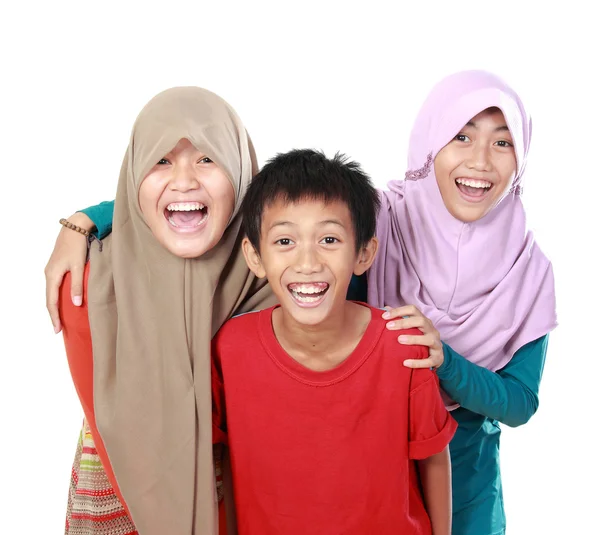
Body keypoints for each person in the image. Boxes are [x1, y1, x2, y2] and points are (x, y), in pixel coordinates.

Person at [58, 86, 276, 535]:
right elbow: (116, 429)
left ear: (239, 170)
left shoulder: (281, 278)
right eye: (161, 160)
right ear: (134, 172)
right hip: (121, 501)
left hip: (248, 505)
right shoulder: (89, 285)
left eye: (206, 158)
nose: (183, 180)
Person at [211, 148, 456, 534]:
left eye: (328, 238)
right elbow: (219, 460)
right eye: (284, 241)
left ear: (363, 253)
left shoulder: (403, 345)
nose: (308, 262)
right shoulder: (231, 348)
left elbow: (434, 457)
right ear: (254, 257)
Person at [364, 70, 558, 534]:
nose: (481, 161)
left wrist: (444, 360)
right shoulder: (375, 224)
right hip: (371, 471)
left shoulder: (528, 270)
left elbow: (519, 402)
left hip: (469, 487)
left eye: (502, 142)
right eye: (462, 136)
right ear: (430, 144)